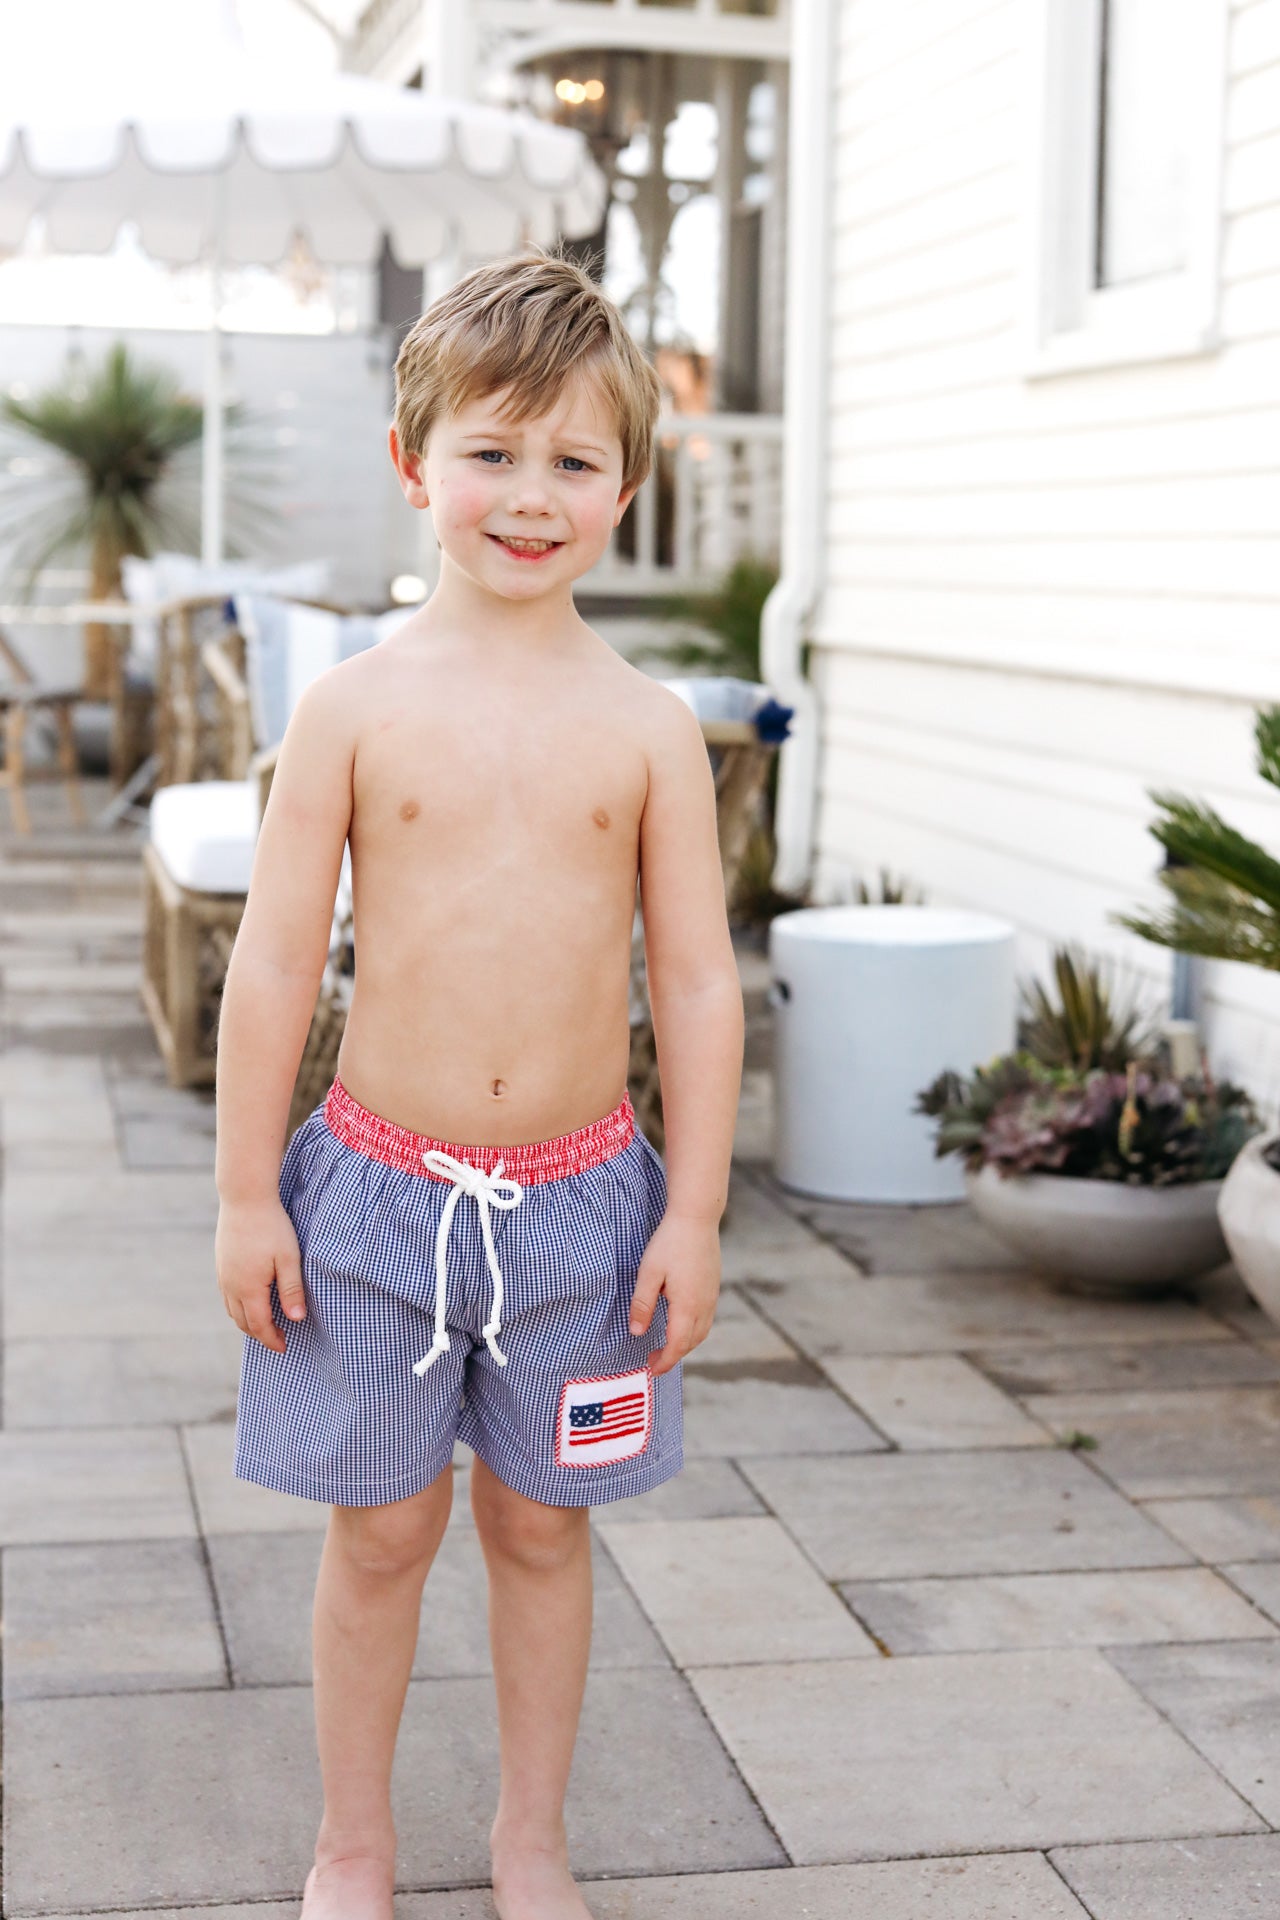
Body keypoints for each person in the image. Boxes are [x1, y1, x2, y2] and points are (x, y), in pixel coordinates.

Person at [214, 249, 745, 1920]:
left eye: (574, 461)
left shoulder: (650, 727)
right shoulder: (353, 711)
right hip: (373, 1196)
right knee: (378, 1533)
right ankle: (351, 1841)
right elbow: (275, 964)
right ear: (413, 463)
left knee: (540, 1529)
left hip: (586, 1207)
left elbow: (703, 979)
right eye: (493, 454)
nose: (530, 496)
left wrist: (701, 1209)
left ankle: (532, 1838)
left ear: (627, 486)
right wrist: (244, 1194)